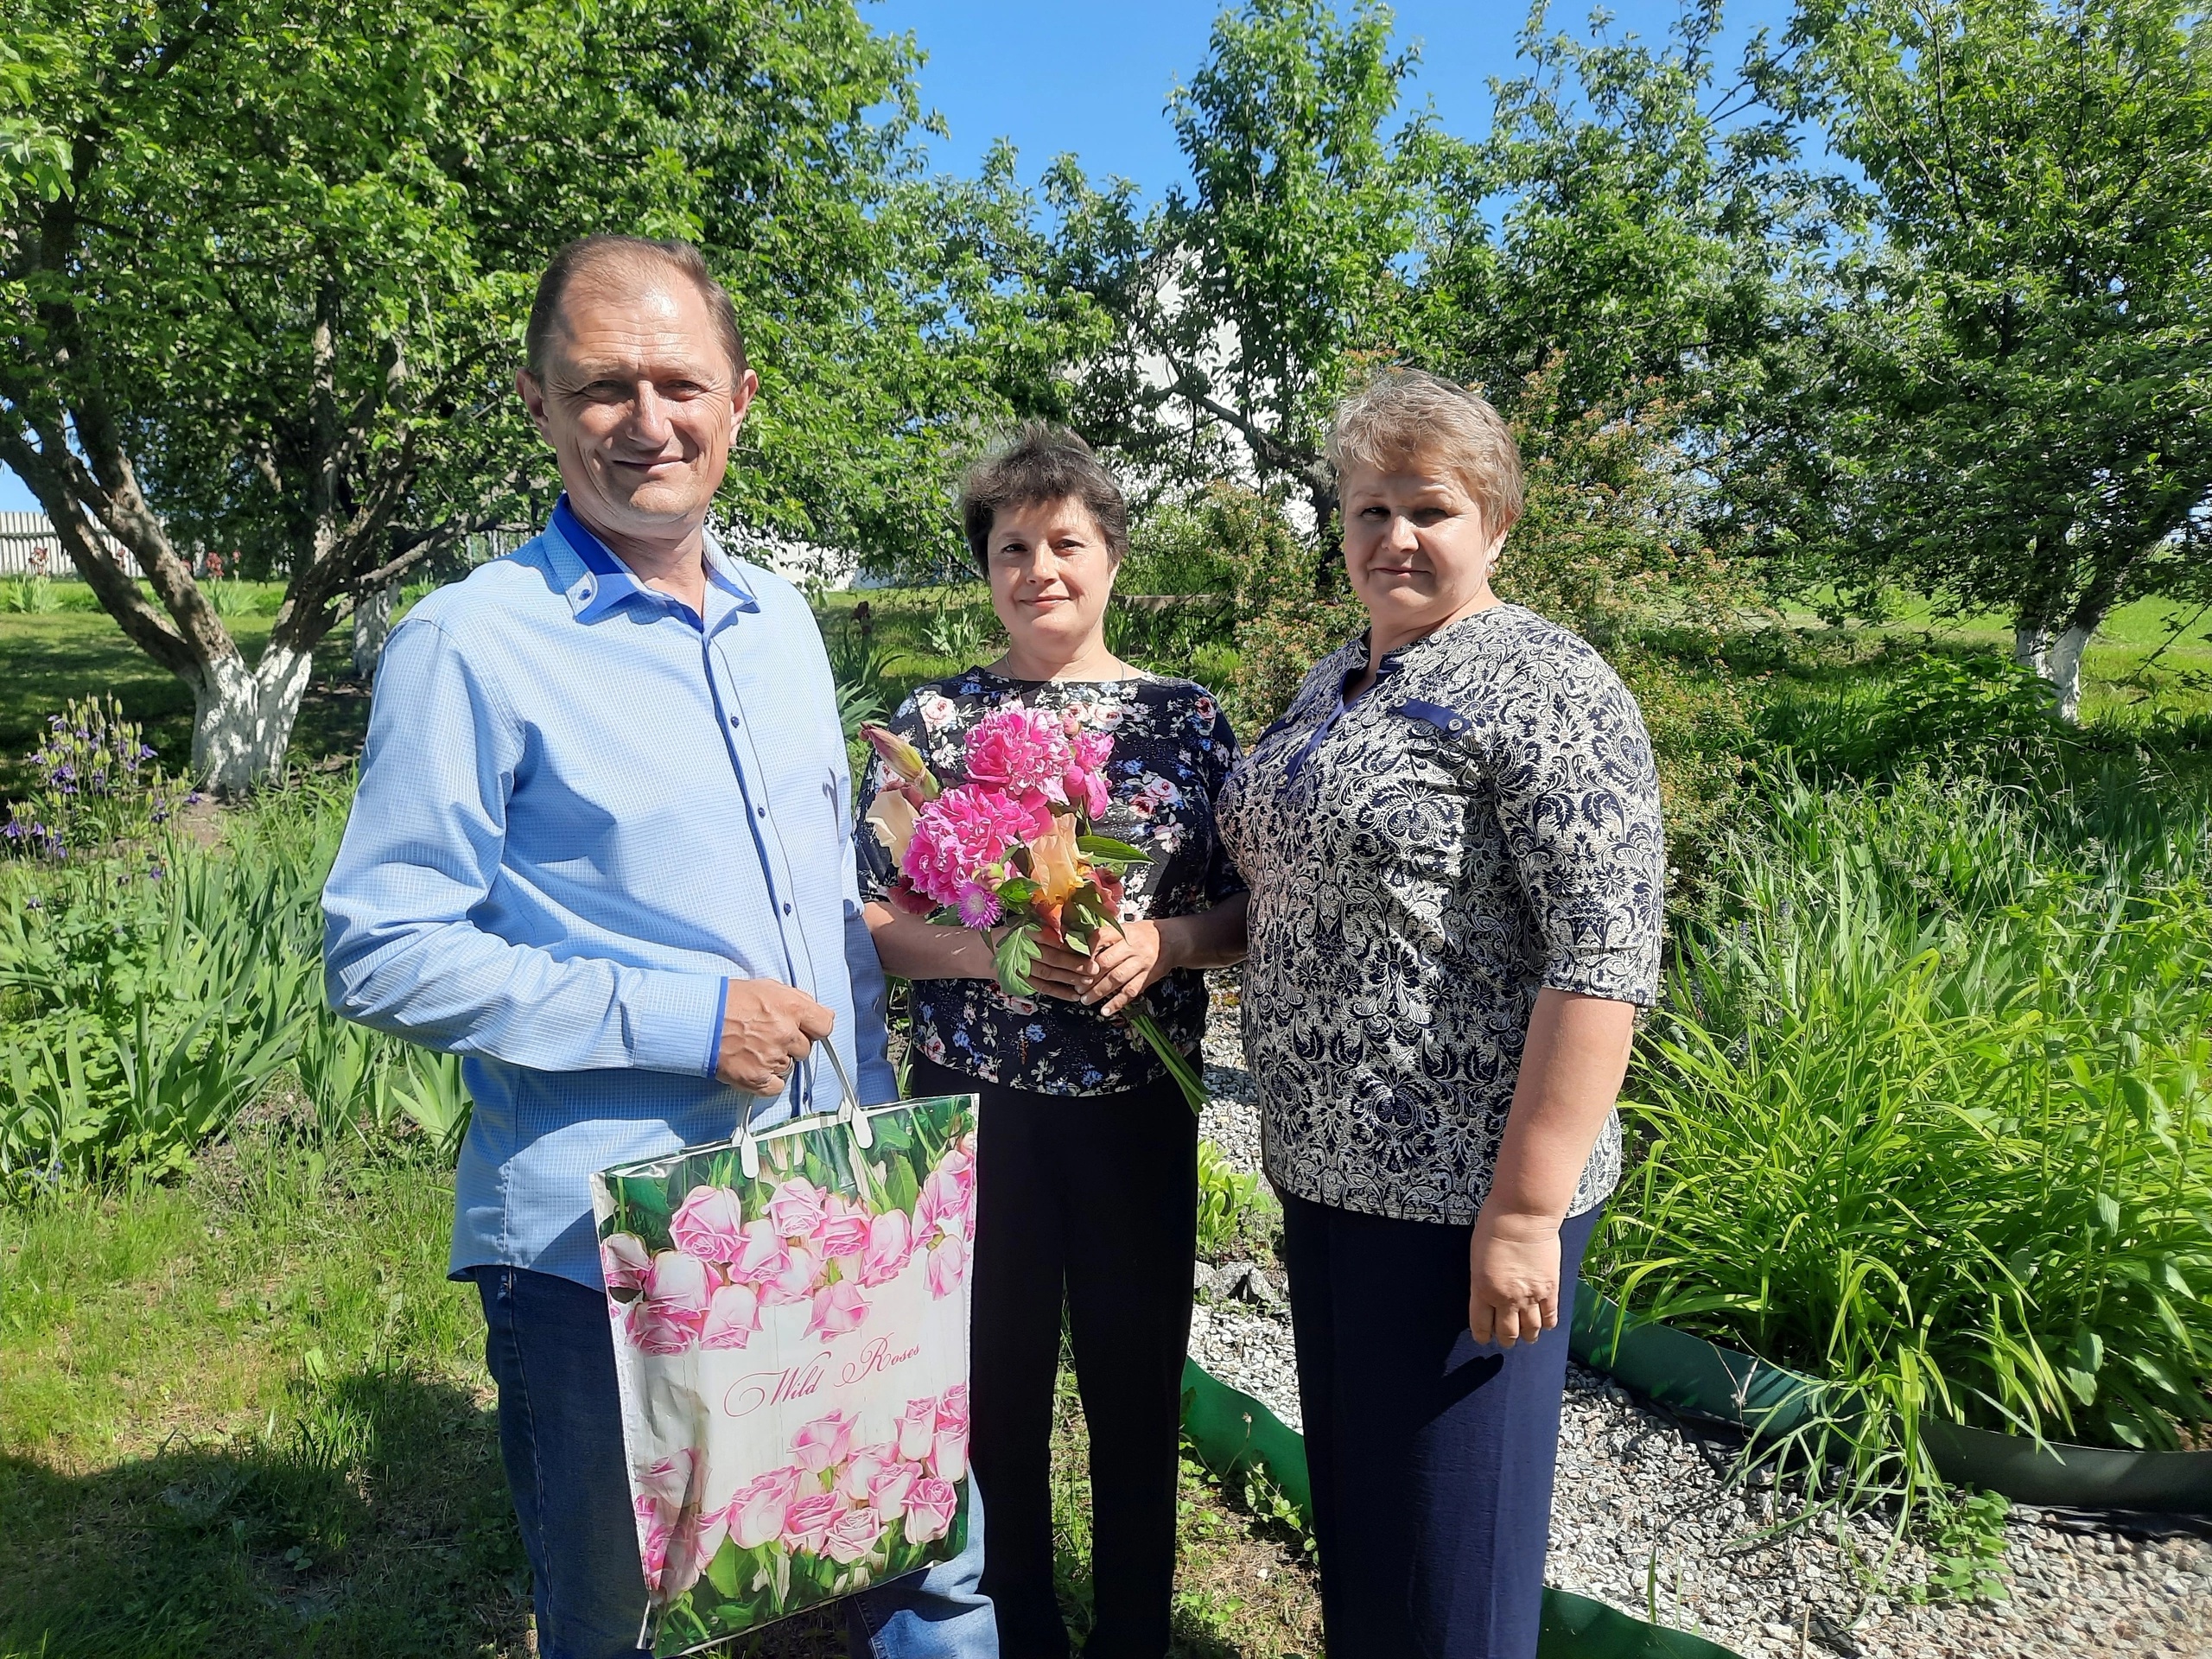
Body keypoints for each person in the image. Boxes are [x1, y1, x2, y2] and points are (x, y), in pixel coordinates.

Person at [321, 234, 996, 1659]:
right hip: (608, 1242)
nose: (647, 420)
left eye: (679, 382)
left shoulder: (782, 625)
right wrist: (689, 1022)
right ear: (539, 404)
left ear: (739, 401)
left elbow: (820, 910)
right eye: (602, 386)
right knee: (628, 1624)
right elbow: (382, 949)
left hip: (829, 1213)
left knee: (924, 1568)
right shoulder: (472, 645)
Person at [1215, 370, 1664, 1658]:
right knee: (1367, 1533)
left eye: (1431, 508)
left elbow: (1604, 957)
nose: (1394, 538)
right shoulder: (1333, 686)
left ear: (1498, 523)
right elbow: (1287, 893)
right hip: (1329, 1181)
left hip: (1466, 1204)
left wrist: (1524, 1213)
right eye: (1367, 509)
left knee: (1451, 1568)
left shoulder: (1549, 690)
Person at [856, 425, 1249, 1659]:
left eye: (1066, 542)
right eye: (1012, 547)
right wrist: (995, 952)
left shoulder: (1185, 721)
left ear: (1114, 556)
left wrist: (1168, 946)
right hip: (976, 1109)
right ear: (985, 567)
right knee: (992, 1392)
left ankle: (1133, 1635)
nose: (1041, 570)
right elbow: (871, 919)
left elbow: (1252, 907)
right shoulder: (934, 723)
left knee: (1134, 1390)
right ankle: (1009, 1625)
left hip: (1136, 1104)